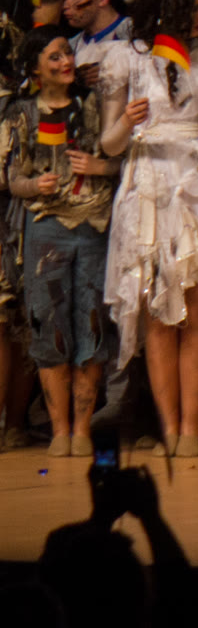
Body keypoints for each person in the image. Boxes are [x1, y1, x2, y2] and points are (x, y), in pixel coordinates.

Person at [96, 0, 198, 457]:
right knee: (159, 314)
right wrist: (127, 122)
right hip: (150, 190)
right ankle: (168, 427)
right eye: (196, 7)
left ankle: (191, 429)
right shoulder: (125, 58)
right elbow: (108, 144)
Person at [0, 27, 119, 456]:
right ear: (34, 68)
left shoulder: (93, 106)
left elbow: (122, 159)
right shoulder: (21, 113)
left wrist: (100, 168)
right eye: (54, 57)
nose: (66, 61)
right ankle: (60, 430)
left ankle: (83, 429)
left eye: (67, 53)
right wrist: (35, 186)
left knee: (92, 324)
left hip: (93, 226)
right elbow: (12, 178)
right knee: (48, 326)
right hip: (45, 228)